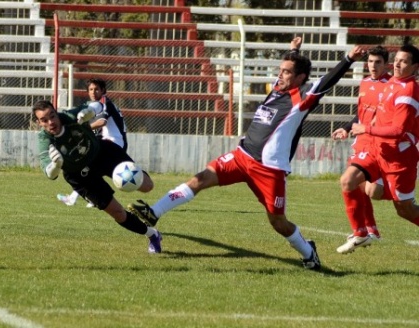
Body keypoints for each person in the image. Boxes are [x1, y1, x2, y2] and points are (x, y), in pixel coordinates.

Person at [128, 37, 365, 270]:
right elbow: (288, 70)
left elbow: (326, 81)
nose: (280, 75)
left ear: (300, 79)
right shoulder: (276, 89)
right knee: (199, 179)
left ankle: (308, 252)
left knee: (278, 223)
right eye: (280, 70)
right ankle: (154, 212)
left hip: (269, 171)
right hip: (242, 157)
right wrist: (293, 50)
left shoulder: (302, 98)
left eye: (286, 72)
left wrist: (348, 59)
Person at [33, 100, 163, 253]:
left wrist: (90, 111)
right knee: (117, 213)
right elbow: (49, 174)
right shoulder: (45, 140)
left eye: (52, 116)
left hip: (102, 153)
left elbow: (99, 105)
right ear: (38, 123)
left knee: (147, 186)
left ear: (56, 113)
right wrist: (56, 165)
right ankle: (153, 235)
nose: (51, 122)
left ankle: (143, 209)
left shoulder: (69, 116)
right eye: (44, 120)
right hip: (80, 176)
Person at [342, 44, 419, 252]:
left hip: (399, 158)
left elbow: (398, 130)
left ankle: (369, 230)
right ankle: (361, 233)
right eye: (398, 59)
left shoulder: (409, 92)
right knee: (348, 180)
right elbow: (376, 112)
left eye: (404, 61)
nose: (398, 64)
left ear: (415, 67)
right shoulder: (393, 81)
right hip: (377, 149)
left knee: (404, 209)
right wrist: (352, 128)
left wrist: (365, 128)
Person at [331, 46, 391, 253]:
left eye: (378, 62)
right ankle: (368, 230)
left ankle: (363, 232)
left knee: (369, 189)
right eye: (370, 62)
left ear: (386, 64)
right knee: (357, 184)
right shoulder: (365, 82)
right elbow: (360, 115)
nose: (373, 66)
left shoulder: (391, 86)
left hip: (377, 144)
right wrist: (346, 128)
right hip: (361, 142)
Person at [57, 78, 128, 208]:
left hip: (113, 143)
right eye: (90, 89)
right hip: (112, 142)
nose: (93, 92)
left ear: (103, 91)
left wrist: (81, 129)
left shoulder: (104, 102)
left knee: (86, 165)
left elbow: (102, 122)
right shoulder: (96, 104)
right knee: (89, 168)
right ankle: (79, 198)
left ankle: (88, 198)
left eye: (96, 89)